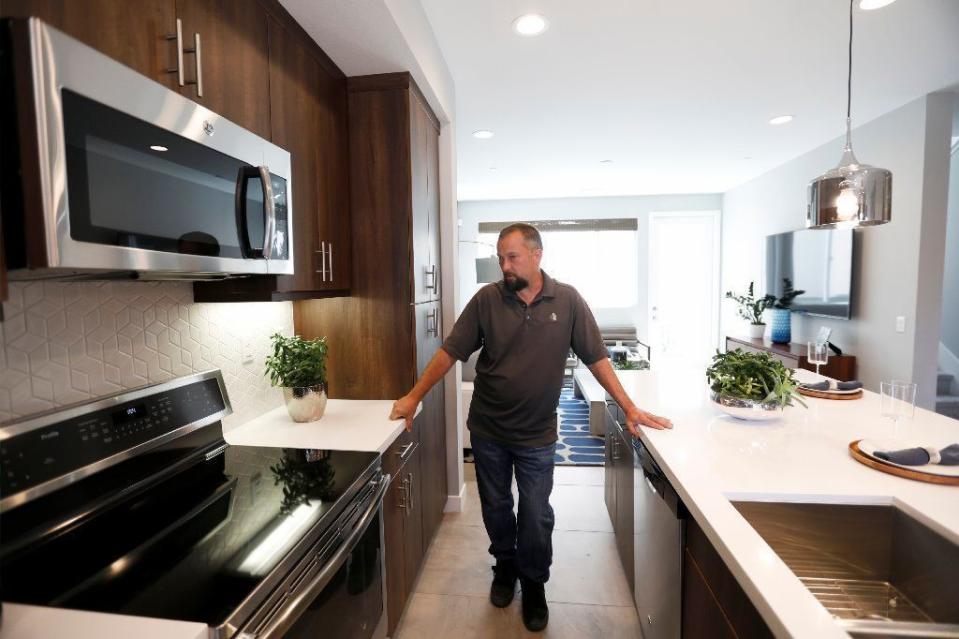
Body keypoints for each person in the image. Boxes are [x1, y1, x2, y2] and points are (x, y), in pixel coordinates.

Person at [389, 223, 672, 632]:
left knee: (536, 514)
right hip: (488, 430)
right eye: (500, 258)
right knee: (497, 506)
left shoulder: (568, 300)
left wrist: (628, 406)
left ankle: (534, 583)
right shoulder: (487, 299)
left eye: (512, 257)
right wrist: (414, 395)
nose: (504, 265)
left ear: (537, 255)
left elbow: (596, 357)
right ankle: (505, 567)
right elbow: (451, 351)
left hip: (537, 434)